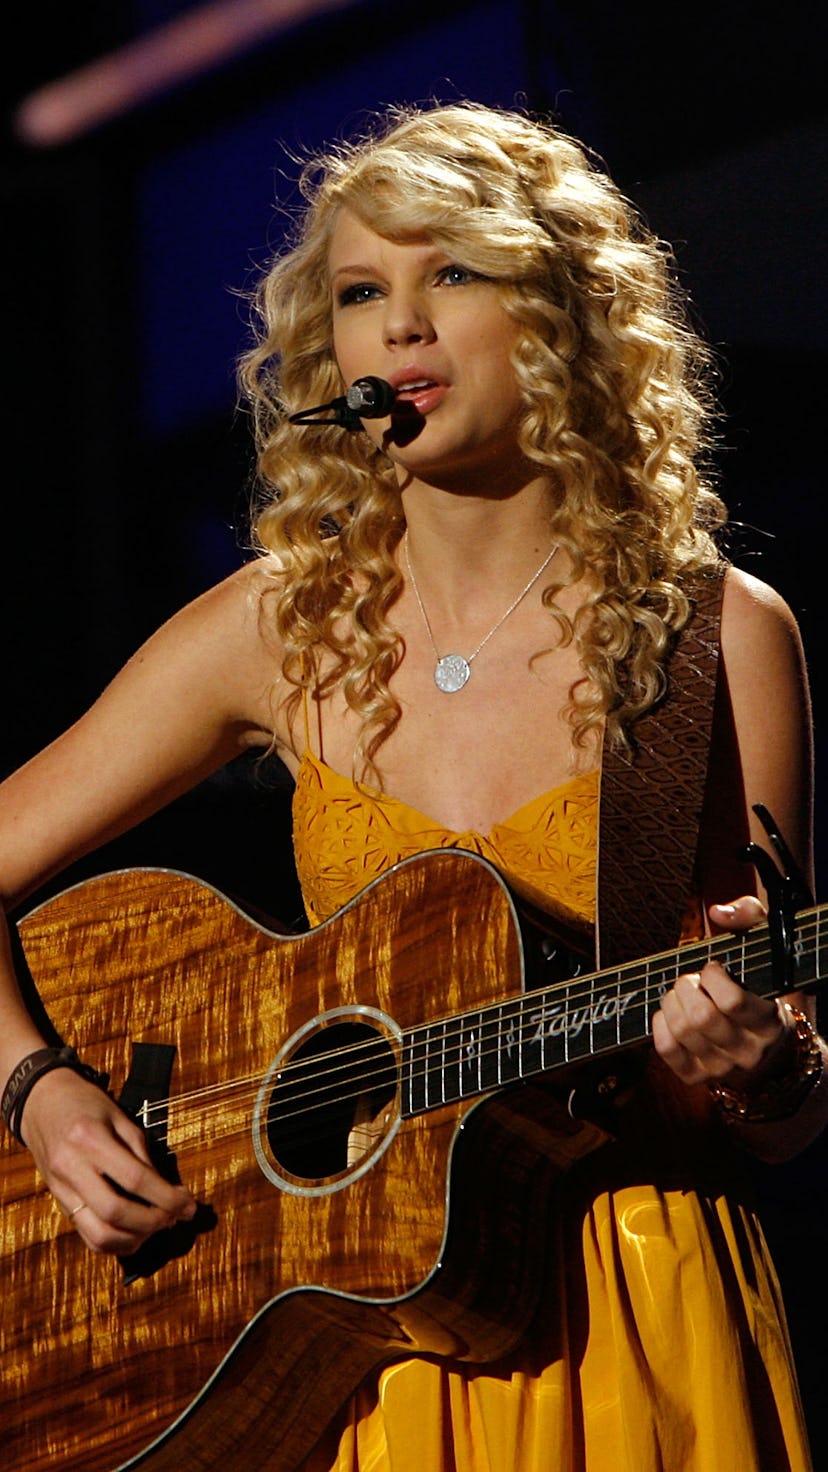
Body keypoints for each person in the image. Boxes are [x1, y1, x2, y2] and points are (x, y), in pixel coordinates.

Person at [0, 100, 823, 1471]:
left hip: (639, 1308)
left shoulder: (717, 636)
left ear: (565, 316)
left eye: (452, 273)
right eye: (363, 293)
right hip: (356, 1354)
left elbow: (788, 1097)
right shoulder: (280, 628)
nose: (402, 327)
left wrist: (768, 1070)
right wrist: (36, 1089)